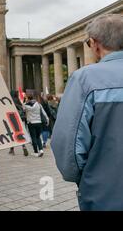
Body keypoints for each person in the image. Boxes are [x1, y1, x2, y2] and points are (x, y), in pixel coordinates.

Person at [51, 14, 123, 210]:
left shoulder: (86, 79)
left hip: (106, 194)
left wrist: (86, 178)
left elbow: (68, 147)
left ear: (95, 44)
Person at [8, 90, 29, 156]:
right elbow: (24, 110)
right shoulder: (19, 102)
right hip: (21, 119)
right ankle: (24, 147)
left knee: (13, 134)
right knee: (20, 134)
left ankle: (12, 149)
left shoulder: (10, 102)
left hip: (13, 119)